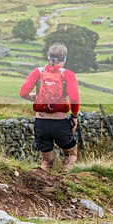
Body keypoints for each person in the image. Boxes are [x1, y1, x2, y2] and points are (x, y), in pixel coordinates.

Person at [19, 43, 80, 171]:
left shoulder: (38, 72)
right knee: (71, 155)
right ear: (64, 59)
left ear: (48, 57)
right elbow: (74, 99)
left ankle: (41, 189)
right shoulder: (68, 74)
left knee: (46, 161)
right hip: (60, 123)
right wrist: (74, 116)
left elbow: (23, 93)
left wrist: (34, 97)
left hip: (41, 122)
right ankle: (66, 183)